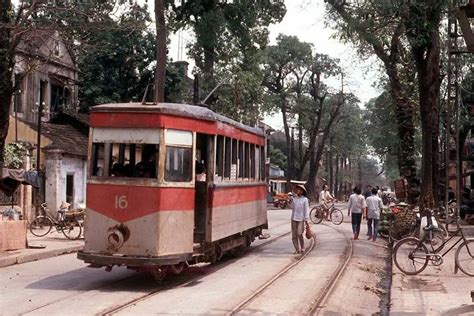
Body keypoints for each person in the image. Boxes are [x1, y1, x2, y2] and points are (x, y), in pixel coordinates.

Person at [290, 184, 310, 254]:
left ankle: (302, 246)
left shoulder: (305, 200)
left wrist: (306, 220)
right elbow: (291, 207)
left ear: (302, 191)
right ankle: (296, 249)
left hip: (301, 219)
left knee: (299, 233)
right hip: (293, 218)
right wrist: (291, 200)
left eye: (299, 189)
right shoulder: (294, 199)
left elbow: (306, 210)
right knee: (294, 235)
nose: (297, 191)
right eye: (296, 189)